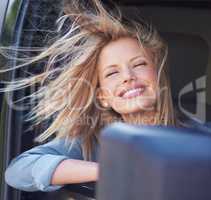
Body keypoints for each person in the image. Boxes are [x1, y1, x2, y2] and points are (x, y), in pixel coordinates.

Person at [4, 0, 176, 192]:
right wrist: (109, 170)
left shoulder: (199, 137)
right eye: (112, 73)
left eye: (139, 64)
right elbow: (18, 171)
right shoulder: (90, 144)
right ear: (103, 97)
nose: (128, 76)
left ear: (158, 76)